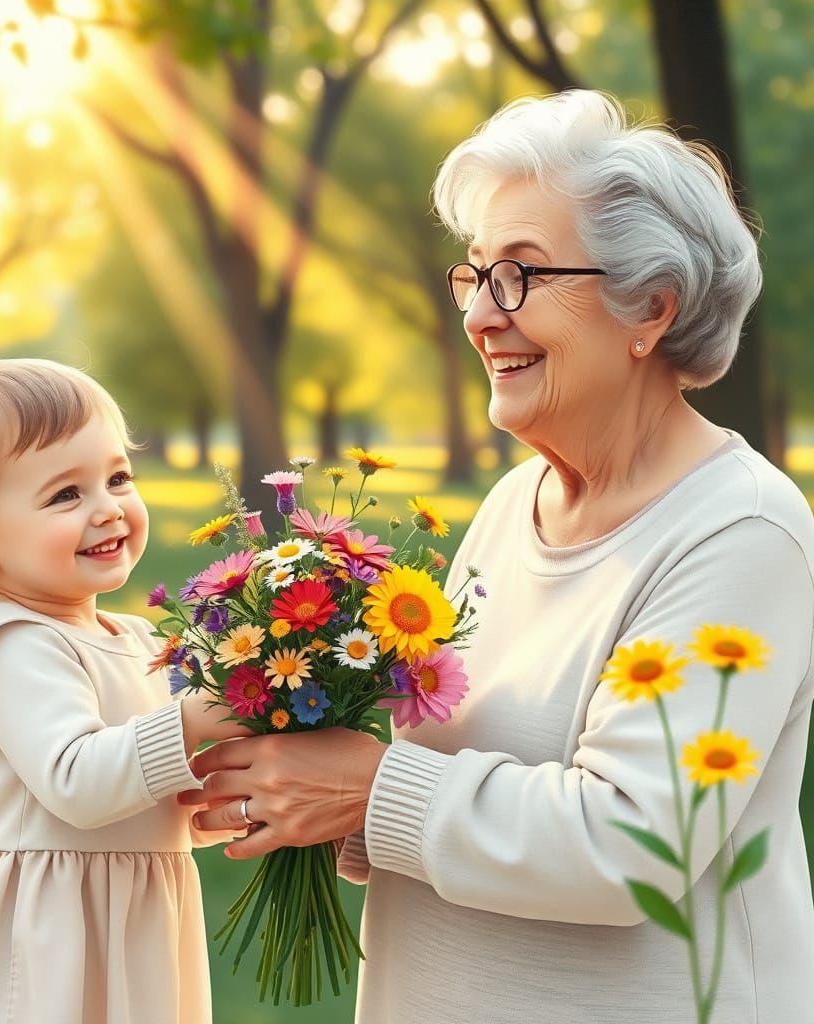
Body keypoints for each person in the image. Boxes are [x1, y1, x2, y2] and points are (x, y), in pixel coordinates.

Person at [183, 91, 814, 1022]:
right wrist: (310, 789)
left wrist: (365, 791)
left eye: (519, 275)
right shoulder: (517, 503)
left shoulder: (739, 531)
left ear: (651, 306)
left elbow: (636, 844)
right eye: (474, 276)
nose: (481, 315)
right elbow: (438, 771)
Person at [0, 358, 245, 1024]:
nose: (108, 508)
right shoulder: (18, 647)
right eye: (66, 495)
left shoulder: (135, 637)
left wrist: (218, 802)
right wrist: (197, 717)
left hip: (134, 919)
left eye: (118, 477)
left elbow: (145, 785)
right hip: (42, 942)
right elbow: (78, 782)